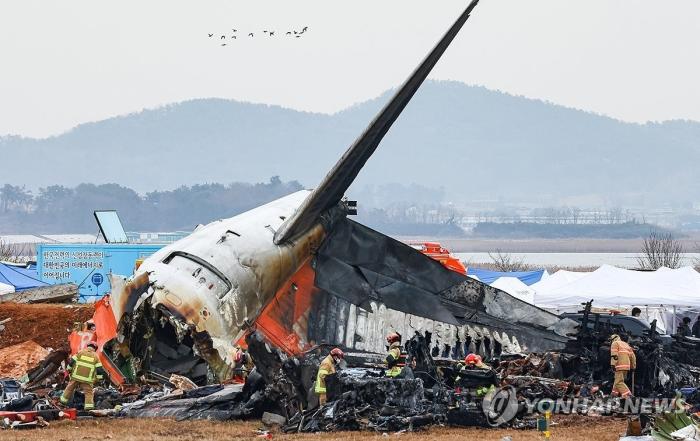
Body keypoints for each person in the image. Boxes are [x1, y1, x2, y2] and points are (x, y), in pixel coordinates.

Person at [59, 342, 105, 410]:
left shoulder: (80, 352)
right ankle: (88, 408)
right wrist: (99, 379)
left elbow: (72, 361)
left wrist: (68, 370)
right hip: (87, 379)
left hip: (76, 376)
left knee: (69, 388)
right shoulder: (96, 356)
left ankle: (62, 403)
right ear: (95, 348)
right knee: (88, 393)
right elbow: (99, 369)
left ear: (88, 346)